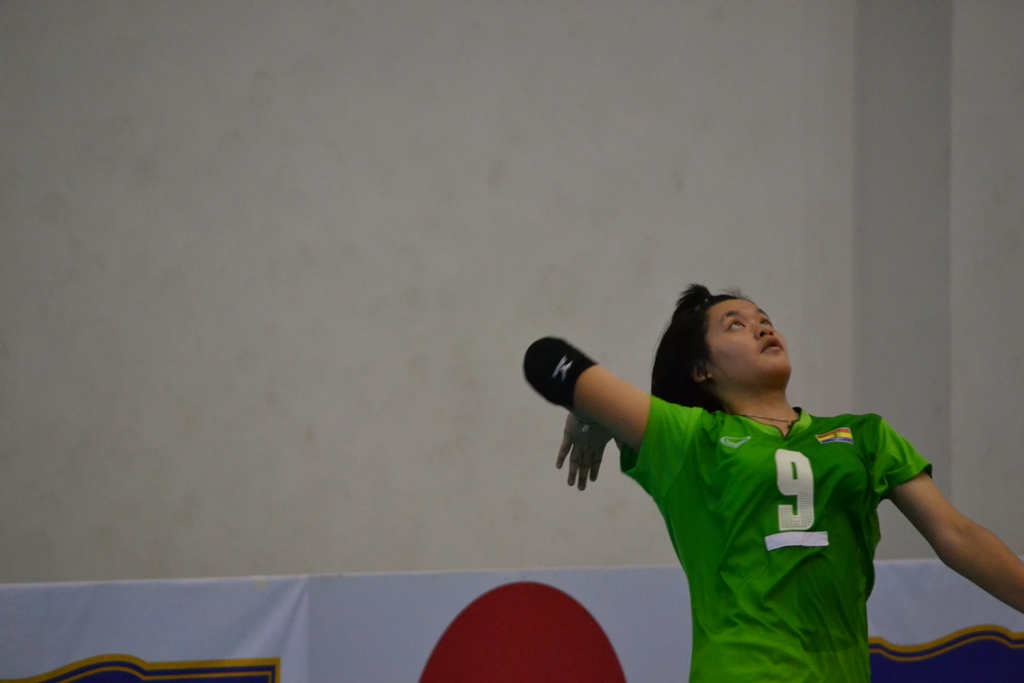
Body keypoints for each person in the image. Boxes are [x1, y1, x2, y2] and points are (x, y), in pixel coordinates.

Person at [523, 284, 1024, 682]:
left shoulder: (865, 436)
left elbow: (956, 534)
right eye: (735, 325)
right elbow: (547, 359)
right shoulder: (690, 438)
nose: (762, 327)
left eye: (764, 319)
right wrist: (586, 414)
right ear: (701, 369)